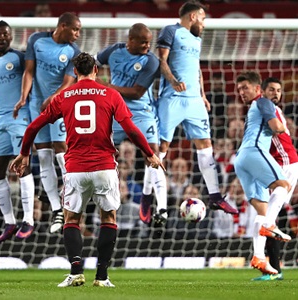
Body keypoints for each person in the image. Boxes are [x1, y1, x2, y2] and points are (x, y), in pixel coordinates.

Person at [10, 52, 162, 288]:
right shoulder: (110, 94)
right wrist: (149, 153)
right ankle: (102, 276)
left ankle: (76, 272)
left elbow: (32, 127)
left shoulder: (63, 97)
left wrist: (24, 153)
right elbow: (131, 129)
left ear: (75, 72)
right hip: (104, 167)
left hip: (76, 168)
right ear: (96, 71)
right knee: (108, 218)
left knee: (72, 219)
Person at [156, 0, 237, 214]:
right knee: (161, 148)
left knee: (206, 146)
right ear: (193, 16)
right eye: (202, 18)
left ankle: (215, 196)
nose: (204, 22)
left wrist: (202, 95)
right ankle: (152, 199)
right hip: (172, 98)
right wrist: (173, 81)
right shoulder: (170, 31)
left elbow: (197, 67)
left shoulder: (196, 39)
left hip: (194, 101)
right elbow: (161, 60)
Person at [13, 12, 81, 234]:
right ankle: (55, 209)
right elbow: (29, 71)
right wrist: (24, 97)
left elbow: (68, 83)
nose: (77, 34)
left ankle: (72, 197)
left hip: (60, 106)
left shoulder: (74, 52)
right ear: (62, 26)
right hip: (36, 105)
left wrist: (53, 99)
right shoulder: (37, 40)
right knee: (43, 155)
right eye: (75, 30)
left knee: (61, 151)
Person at [95, 23, 167, 225]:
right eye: (143, 42)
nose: (147, 46)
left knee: (153, 154)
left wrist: (106, 87)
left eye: (149, 42)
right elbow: (91, 64)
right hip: (114, 111)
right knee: (96, 149)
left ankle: (161, 207)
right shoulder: (114, 51)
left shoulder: (150, 61)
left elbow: (137, 92)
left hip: (141, 113)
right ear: (131, 40)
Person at [234, 71, 292, 276]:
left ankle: (258, 256)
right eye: (239, 89)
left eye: (245, 87)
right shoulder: (264, 102)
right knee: (282, 186)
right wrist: (284, 128)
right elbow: (276, 127)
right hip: (253, 151)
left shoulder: (253, 106)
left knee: (262, 208)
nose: (241, 92)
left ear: (256, 88)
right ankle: (269, 226)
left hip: (240, 159)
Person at [0, 21, 35, 242]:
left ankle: (29, 220)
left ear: (11, 37)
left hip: (19, 117)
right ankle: (9, 221)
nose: (2, 37)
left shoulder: (20, 59)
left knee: (22, 167)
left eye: (6, 34)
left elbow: (32, 77)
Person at [252, 77, 298, 281]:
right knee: (269, 218)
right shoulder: (264, 108)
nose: (276, 93)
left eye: (279, 90)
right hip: (279, 165)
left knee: (267, 220)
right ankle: (273, 268)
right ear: (262, 90)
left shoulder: (268, 110)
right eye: (272, 89)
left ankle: (265, 262)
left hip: (286, 164)